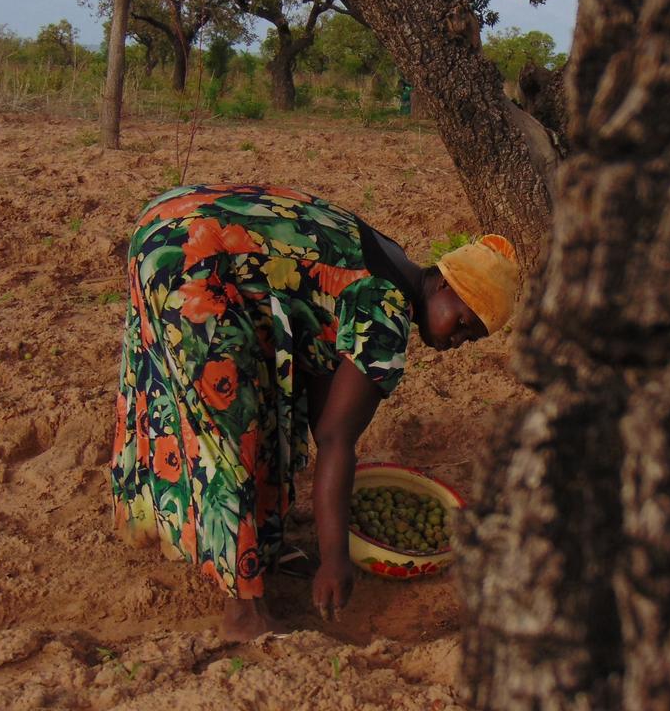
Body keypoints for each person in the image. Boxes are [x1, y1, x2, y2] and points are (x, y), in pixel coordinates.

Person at [108, 183, 519, 641]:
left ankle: (260, 549)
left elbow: (319, 394)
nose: (456, 341)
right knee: (228, 424)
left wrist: (330, 524)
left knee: (268, 399)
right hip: (189, 256)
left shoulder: (393, 260)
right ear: (444, 282)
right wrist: (335, 559)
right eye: (461, 322)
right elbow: (335, 438)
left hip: (173, 220)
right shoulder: (386, 312)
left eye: (470, 339)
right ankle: (243, 612)